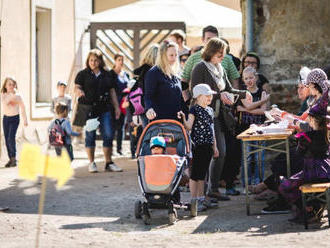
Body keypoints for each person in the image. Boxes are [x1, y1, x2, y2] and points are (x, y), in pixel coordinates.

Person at [190, 37, 250, 201]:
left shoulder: (220, 68)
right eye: (220, 53)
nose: (223, 56)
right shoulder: (200, 68)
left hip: (219, 116)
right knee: (215, 153)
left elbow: (229, 89)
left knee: (220, 153)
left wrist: (245, 94)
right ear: (211, 52)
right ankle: (205, 193)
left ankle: (212, 190)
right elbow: (196, 93)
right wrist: (219, 96)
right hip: (205, 118)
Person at [274, 91, 330, 223]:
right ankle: (314, 208)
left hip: (313, 172)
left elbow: (299, 153)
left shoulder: (308, 137)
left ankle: (309, 209)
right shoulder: (325, 132)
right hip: (327, 170)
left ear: (314, 120)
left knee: (284, 185)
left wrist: (300, 141)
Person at [74, 49, 121, 173]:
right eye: (91, 60)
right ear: (88, 61)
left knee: (109, 134)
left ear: (100, 61)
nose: (93, 62)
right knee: (90, 136)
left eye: (96, 60)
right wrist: (79, 92)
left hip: (104, 108)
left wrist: (116, 107)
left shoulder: (106, 74)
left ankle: (108, 163)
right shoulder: (82, 74)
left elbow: (112, 92)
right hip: (89, 109)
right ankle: (92, 163)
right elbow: (77, 87)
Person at [178, 84, 219, 212]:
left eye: (210, 95)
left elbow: (212, 130)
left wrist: (215, 147)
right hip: (197, 146)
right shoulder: (194, 110)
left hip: (208, 146)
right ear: (198, 97)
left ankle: (201, 199)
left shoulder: (210, 110)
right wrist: (184, 119)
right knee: (195, 175)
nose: (210, 97)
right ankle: (194, 200)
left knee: (203, 174)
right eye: (207, 95)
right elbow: (189, 126)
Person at [181, 25, 241, 94]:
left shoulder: (226, 59)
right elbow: (184, 82)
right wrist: (188, 102)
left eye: (214, 39)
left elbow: (235, 83)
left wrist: (233, 100)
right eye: (208, 39)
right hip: (201, 102)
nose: (211, 42)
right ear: (203, 39)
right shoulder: (193, 59)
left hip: (222, 103)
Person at [237, 67, 268, 188]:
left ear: (256, 78)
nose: (249, 80)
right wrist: (262, 101)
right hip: (246, 129)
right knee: (247, 156)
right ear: (243, 80)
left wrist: (244, 109)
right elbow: (249, 106)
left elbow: (263, 111)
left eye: (251, 77)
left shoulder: (262, 92)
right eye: (246, 78)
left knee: (259, 156)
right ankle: (247, 183)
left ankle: (259, 183)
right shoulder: (243, 93)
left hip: (260, 128)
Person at [144, 40, 188, 121]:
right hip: (160, 123)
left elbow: (180, 101)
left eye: (176, 55)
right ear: (163, 55)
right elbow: (148, 96)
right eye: (171, 55)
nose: (174, 58)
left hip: (176, 123)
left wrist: (187, 116)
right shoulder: (153, 73)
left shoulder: (176, 75)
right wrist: (149, 109)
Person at [1, 77, 28, 167]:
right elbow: (5, 102)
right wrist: (12, 96)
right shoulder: (3, 94)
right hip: (6, 119)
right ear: (5, 86)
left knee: (10, 138)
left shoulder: (18, 96)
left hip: (14, 119)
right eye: (9, 84)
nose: (11, 86)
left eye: (13, 84)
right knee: (7, 139)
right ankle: (11, 159)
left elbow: (23, 107)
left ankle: (13, 158)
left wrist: (25, 120)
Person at [133, 44, 159, 127]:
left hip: (142, 105)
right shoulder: (152, 71)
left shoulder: (142, 70)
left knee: (147, 131)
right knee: (152, 132)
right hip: (151, 106)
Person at [109, 53, 130, 156]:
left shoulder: (126, 74)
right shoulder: (111, 74)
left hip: (124, 103)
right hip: (113, 103)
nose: (121, 62)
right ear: (115, 61)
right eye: (119, 60)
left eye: (122, 60)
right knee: (112, 126)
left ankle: (119, 148)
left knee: (121, 126)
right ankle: (110, 149)